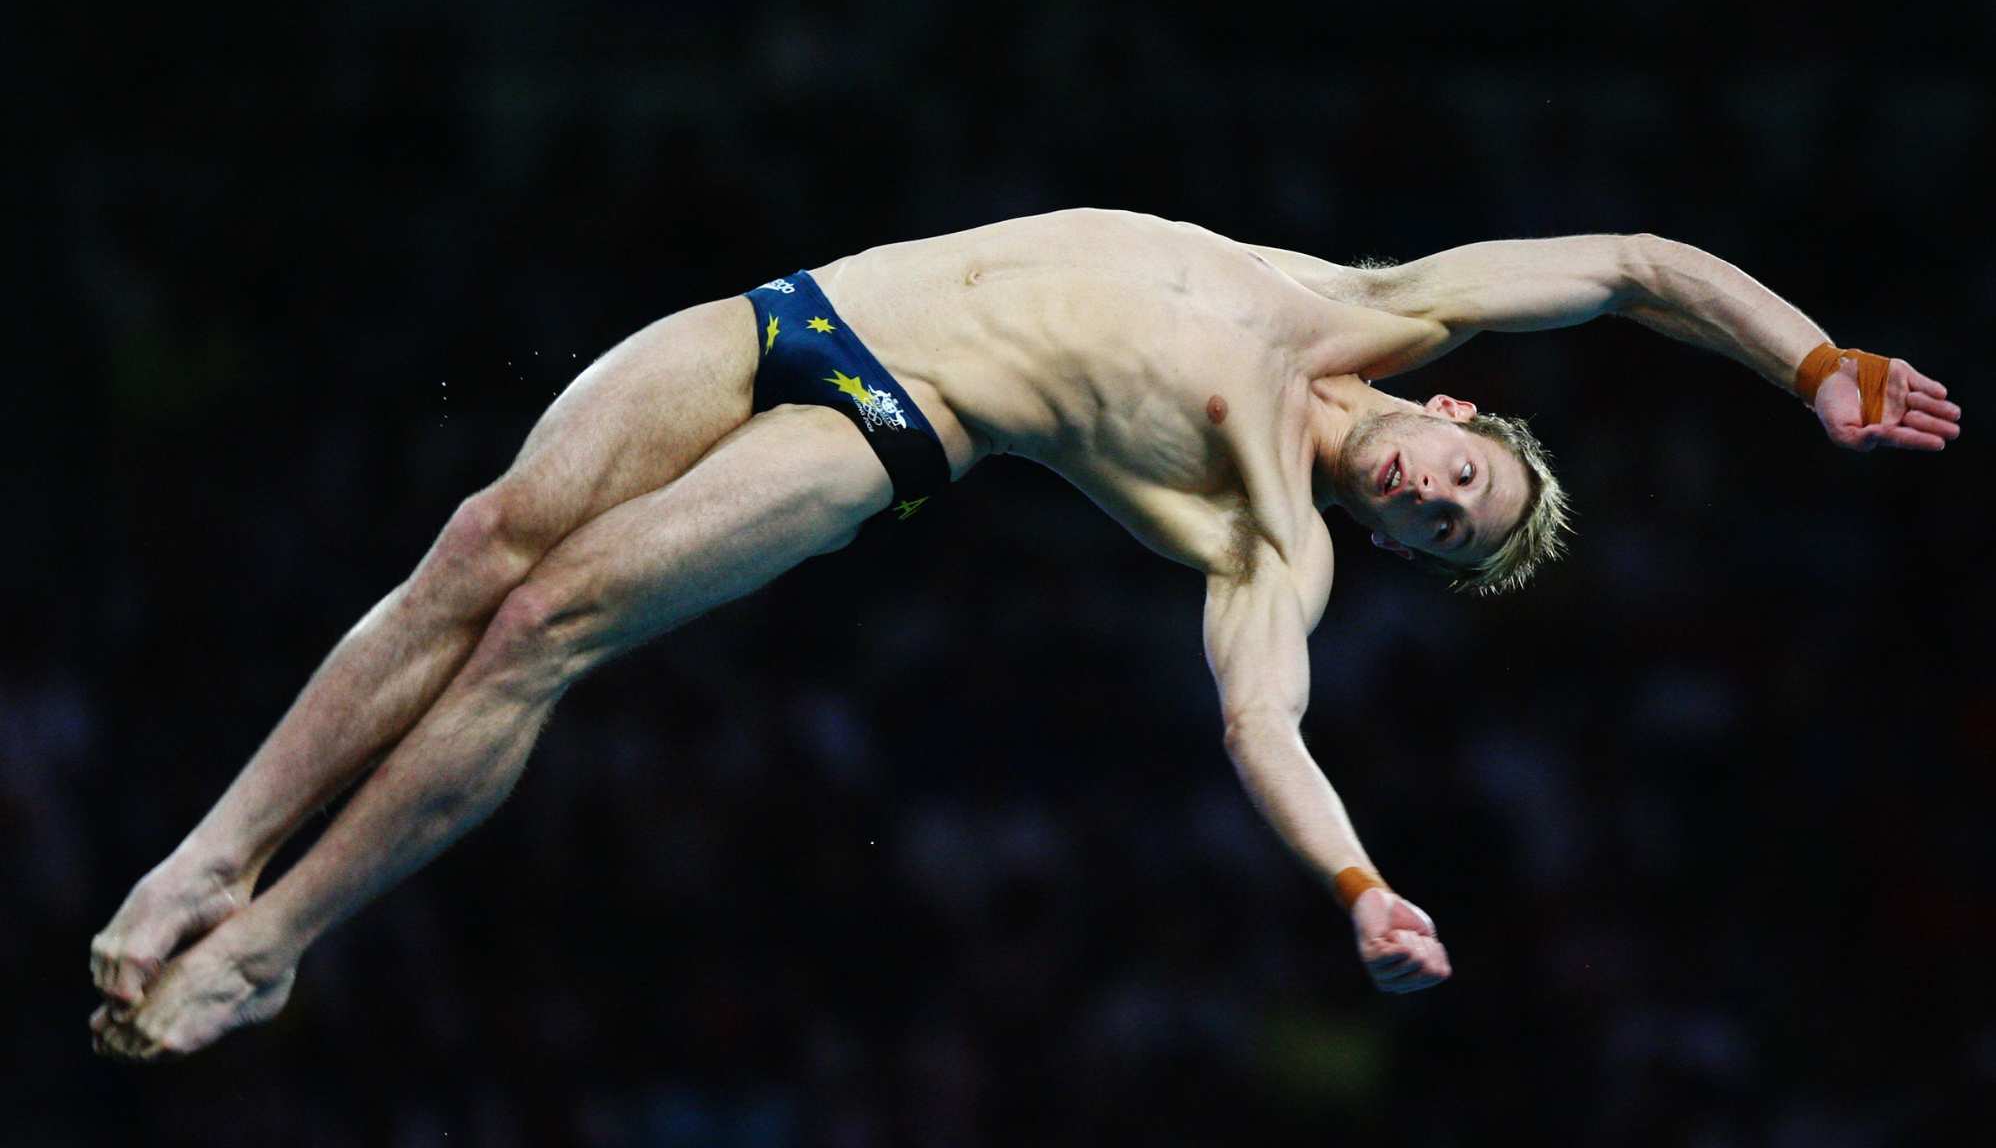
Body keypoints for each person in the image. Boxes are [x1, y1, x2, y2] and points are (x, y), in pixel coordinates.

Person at [88, 208, 1959, 1060]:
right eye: (1451, 481)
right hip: (810, 303)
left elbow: (1266, 730)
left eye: (1430, 533)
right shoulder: (1379, 301)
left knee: (543, 626)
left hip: (892, 425)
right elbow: (1635, 269)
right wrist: (1816, 363)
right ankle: (209, 860)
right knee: (478, 544)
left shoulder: (1269, 544)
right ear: (1460, 415)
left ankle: (270, 947)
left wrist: (1359, 890)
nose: (1417, 498)